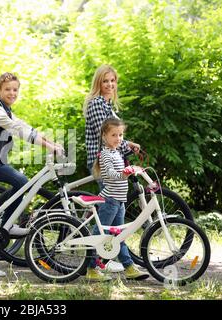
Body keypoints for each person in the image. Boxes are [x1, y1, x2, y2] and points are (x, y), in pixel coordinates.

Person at [0, 72, 64, 277]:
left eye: (15, 89)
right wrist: (47, 147)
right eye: (7, 89)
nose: (12, 93)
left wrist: (52, 143)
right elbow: (20, 131)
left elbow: (26, 127)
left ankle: (8, 222)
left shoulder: (7, 111)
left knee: (22, 182)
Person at [83, 64, 140, 273]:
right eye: (105, 81)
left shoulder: (108, 106)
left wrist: (128, 144)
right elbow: (106, 136)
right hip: (103, 161)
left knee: (116, 217)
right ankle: (91, 266)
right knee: (108, 217)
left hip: (114, 159)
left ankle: (127, 266)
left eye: (112, 81)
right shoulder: (97, 104)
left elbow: (115, 135)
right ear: (99, 83)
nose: (109, 85)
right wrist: (126, 145)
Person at [86, 117, 149, 281]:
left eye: (120, 135)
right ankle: (91, 268)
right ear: (104, 136)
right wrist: (124, 173)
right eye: (114, 135)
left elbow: (120, 172)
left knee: (119, 236)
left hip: (119, 201)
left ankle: (128, 267)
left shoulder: (116, 152)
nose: (118, 139)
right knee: (101, 234)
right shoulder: (106, 154)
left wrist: (131, 170)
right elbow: (110, 175)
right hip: (110, 201)